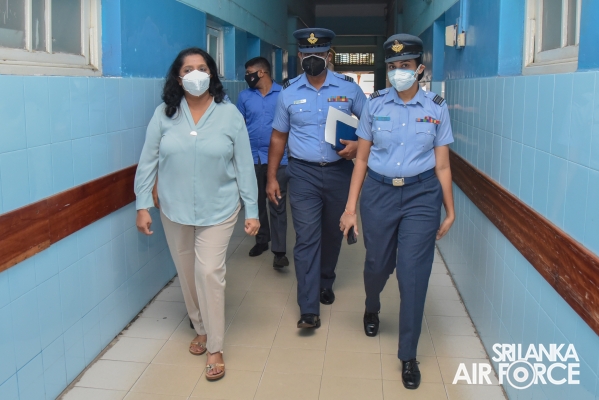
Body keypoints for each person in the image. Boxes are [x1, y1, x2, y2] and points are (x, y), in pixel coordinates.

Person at [134, 47, 259, 381]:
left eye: (202, 68)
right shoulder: (164, 114)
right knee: (187, 273)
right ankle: (200, 327)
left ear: (212, 73)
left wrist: (252, 210)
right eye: (188, 69)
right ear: (178, 78)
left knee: (208, 273)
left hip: (219, 208)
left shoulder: (230, 115)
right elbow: (148, 161)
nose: (196, 74)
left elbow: (244, 166)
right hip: (174, 210)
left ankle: (215, 346)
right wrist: (142, 205)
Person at [339, 34, 455, 390]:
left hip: (422, 195)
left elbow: (443, 166)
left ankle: (408, 354)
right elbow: (361, 159)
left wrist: (450, 210)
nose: (398, 72)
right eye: (392, 66)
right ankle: (372, 304)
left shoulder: (436, 108)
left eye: (405, 65)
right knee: (377, 264)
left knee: (412, 274)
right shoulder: (374, 105)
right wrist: (350, 209)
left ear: (420, 69)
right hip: (379, 193)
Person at [267, 28, 367, 329]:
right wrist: (272, 177)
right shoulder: (288, 93)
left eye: (319, 54)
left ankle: (326, 280)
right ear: (299, 56)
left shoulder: (350, 89)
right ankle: (308, 308)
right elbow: (278, 138)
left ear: (329, 55)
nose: (313, 59)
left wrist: (357, 146)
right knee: (307, 237)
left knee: (332, 233)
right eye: (307, 54)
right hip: (302, 174)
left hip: (339, 172)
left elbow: (371, 128)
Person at [237, 57, 290, 269]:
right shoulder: (244, 96)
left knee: (276, 202)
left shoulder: (283, 94)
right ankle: (262, 240)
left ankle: (279, 251)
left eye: (249, 72)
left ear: (261, 73)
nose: (246, 76)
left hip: (278, 158)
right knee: (256, 201)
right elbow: (238, 125)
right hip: (252, 157)